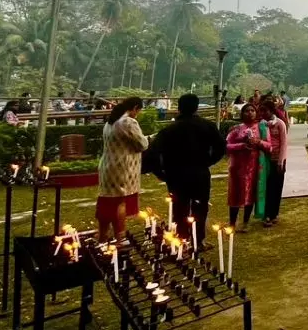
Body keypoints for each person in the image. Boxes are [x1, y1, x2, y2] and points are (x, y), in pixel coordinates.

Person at [148, 94, 226, 246]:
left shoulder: (169, 130)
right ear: (196, 107)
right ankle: (199, 240)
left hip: (176, 175)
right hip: (199, 173)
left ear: (179, 108)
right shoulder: (207, 126)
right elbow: (221, 147)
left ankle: (181, 239)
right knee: (200, 207)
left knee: (179, 208)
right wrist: (208, 162)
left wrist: (161, 173)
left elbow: (153, 153)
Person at [97, 97, 148, 241]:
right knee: (120, 201)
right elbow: (142, 144)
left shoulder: (110, 122)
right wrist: (148, 139)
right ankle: (120, 237)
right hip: (122, 167)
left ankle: (103, 235)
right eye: (138, 111)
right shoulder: (127, 122)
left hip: (107, 165)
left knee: (106, 202)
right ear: (135, 108)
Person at [225, 103, 270, 232]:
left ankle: (245, 222)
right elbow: (227, 146)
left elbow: (269, 146)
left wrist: (258, 142)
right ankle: (232, 223)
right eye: (246, 111)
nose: (250, 113)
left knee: (250, 194)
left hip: (254, 167)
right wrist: (242, 146)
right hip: (237, 168)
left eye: (252, 110)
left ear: (256, 113)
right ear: (242, 114)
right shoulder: (236, 128)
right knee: (235, 195)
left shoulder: (262, 128)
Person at [258, 100, 289, 227]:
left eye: (265, 110)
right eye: (261, 110)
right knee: (266, 188)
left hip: (278, 160)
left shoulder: (280, 124)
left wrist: (281, 162)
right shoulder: (261, 125)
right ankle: (267, 215)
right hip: (265, 161)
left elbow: (284, 144)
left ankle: (274, 214)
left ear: (271, 111)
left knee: (276, 188)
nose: (262, 113)